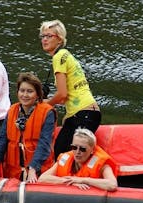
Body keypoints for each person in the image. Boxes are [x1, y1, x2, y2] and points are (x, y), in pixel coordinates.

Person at [0, 72, 56, 183]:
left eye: (30, 91)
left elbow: (44, 144)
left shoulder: (47, 113)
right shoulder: (12, 110)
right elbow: (1, 142)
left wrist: (33, 169)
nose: (25, 95)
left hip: (37, 172)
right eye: (22, 91)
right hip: (13, 173)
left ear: (37, 94)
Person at [39, 19, 101, 159]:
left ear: (59, 39)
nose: (44, 39)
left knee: (62, 152)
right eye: (43, 36)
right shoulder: (65, 55)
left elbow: (61, 94)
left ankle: (76, 179)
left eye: (49, 36)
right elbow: (66, 97)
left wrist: (43, 105)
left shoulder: (59, 57)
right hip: (88, 112)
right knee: (62, 150)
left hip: (83, 114)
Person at [39, 128, 118, 191]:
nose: (77, 152)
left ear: (92, 150)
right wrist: (71, 182)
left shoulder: (101, 163)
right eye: (74, 147)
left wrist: (83, 180)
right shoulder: (65, 158)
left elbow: (112, 184)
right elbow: (42, 179)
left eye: (82, 149)